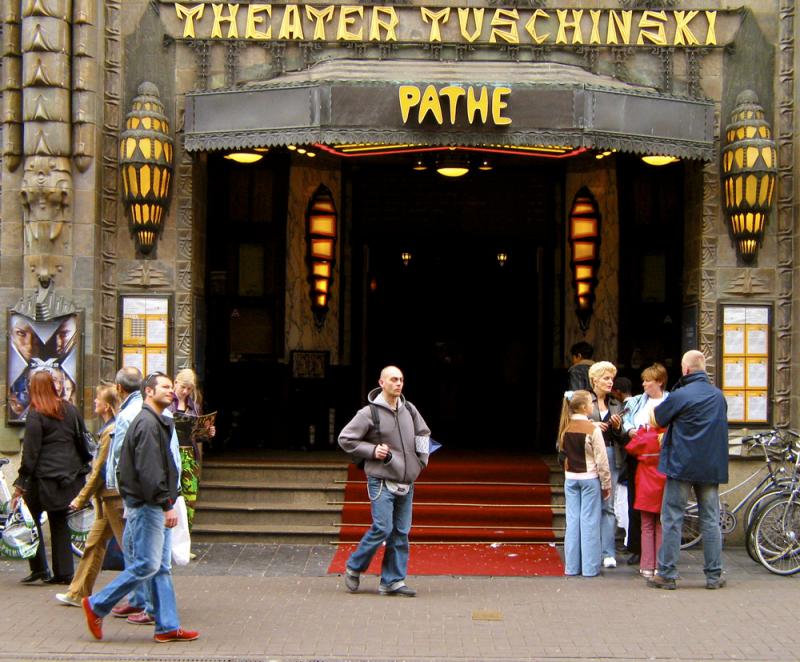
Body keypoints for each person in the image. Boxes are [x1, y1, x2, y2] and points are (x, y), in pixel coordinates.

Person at [82, 372, 199, 643]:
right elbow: (149, 471)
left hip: (151, 503)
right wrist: (166, 503)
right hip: (149, 506)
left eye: (172, 387)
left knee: (159, 567)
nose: (171, 392)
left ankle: (167, 625)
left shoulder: (156, 421)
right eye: (165, 387)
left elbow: (165, 465)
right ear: (148, 391)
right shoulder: (146, 423)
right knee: (147, 564)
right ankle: (97, 604)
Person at [338, 366, 431, 597]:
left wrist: (422, 461)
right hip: (380, 481)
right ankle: (354, 566)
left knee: (401, 531)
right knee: (383, 528)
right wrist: (372, 450)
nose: (398, 383)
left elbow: (423, 434)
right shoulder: (369, 413)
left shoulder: (409, 409)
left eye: (401, 379)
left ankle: (392, 581)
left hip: (407, 481)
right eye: (393, 380)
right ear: (382, 383)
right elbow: (345, 438)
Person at [647, 350, 729, 590]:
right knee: (711, 520)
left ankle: (667, 573)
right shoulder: (718, 396)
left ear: (685, 370)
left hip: (681, 465)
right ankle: (714, 575)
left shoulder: (680, 395)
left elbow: (657, 420)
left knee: (672, 518)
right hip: (709, 467)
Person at [11, 371, 92, 584]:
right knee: (59, 522)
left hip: (44, 478)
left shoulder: (36, 414)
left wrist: (21, 482)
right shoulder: (71, 409)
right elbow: (80, 439)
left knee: (31, 520)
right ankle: (64, 572)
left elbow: (31, 453)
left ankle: (39, 568)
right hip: (69, 477)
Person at [55, 383, 122, 606]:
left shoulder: (110, 432)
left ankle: (149, 600)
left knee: (131, 551)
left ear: (108, 406)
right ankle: (78, 592)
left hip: (114, 499)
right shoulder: (107, 430)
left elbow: (100, 471)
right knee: (94, 544)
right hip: (107, 499)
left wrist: (80, 498)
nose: (94, 402)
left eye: (98, 399)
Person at [622, 364, 669, 579]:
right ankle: (658, 563)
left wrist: (640, 435)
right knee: (658, 521)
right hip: (658, 471)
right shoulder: (637, 402)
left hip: (647, 472)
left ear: (659, 381)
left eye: (648, 380)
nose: (644, 384)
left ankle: (647, 564)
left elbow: (632, 447)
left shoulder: (669, 401)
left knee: (648, 522)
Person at [557, 390, 611, 577]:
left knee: (572, 521)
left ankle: (571, 567)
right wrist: (606, 484)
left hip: (570, 477)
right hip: (589, 478)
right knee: (589, 522)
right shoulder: (593, 429)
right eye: (591, 403)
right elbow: (602, 461)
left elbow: (562, 454)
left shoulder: (565, 428)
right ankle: (589, 568)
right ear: (583, 407)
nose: (593, 405)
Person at [587, 361, 624, 568]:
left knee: (608, 504)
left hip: (611, 453)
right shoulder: (583, 400)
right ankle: (591, 548)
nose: (610, 382)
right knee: (592, 503)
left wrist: (618, 428)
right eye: (606, 378)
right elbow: (570, 424)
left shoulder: (616, 404)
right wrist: (591, 425)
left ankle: (608, 552)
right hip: (589, 454)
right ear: (595, 380)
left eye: (612, 378)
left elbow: (623, 436)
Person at [167, 368, 215, 530]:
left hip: (189, 454)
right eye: (183, 387)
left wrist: (208, 432)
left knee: (190, 496)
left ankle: (185, 540)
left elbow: (198, 436)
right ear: (175, 383)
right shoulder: (167, 404)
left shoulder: (193, 406)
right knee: (172, 496)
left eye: (189, 389)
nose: (185, 392)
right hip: (171, 455)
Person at [613, 376, 640, 566]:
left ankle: (634, 544)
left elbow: (625, 438)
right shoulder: (639, 402)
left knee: (630, 503)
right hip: (632, 460)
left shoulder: (630, 407)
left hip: (631, 460)